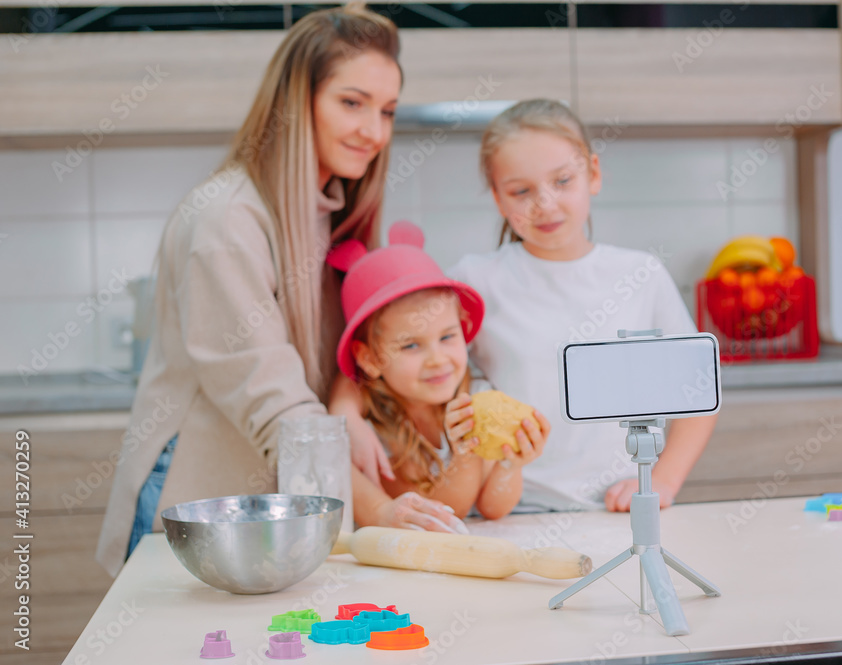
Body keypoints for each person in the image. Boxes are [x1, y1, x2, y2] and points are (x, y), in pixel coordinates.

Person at [96, 6, 456, 576]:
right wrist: (380, 509)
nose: (374, 131)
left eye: (386, 111)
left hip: (277, 493)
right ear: (296, 101)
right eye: (351, 102)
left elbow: (358, 341)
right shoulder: (226, 220)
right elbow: (278, 406)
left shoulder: (330, 209)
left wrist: (347, 403)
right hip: (197, 494)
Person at [347, 99, 717, 513]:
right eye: (521, 191)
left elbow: (698, 389)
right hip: (510, 510)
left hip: (622, 508)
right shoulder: (475, 280)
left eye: (562, 181)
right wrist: (344, 416)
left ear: (592, 174)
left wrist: (661, 482)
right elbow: (376, 352)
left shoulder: (641, 276)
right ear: (498, 199)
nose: (544, 203)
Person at [331, 221, 550, 528]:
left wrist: (511, 465)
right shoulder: (377, 432)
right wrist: (465, 455)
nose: (437, 360)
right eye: (410, 345)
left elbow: (493, 507)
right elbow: (441, 513)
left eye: (447, 337)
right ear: (370, 358)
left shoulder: (478, 396)